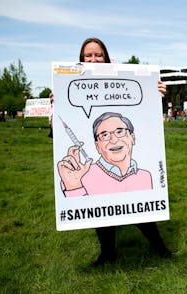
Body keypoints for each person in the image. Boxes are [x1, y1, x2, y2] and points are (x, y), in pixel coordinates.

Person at [57, 38, 171, 266]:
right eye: (88, 56)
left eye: (98, 55)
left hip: (136, 179)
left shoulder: (144, 175)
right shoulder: (71, 82)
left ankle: (160, 249)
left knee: (144, 212)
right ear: (97, 144)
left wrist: (155, 93)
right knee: (101, 214)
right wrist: (58, 103)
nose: (93, 59)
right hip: (98, 180)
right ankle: (108, 253)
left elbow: (146, 117)